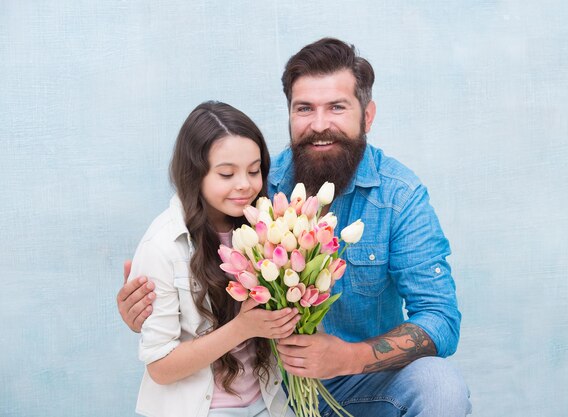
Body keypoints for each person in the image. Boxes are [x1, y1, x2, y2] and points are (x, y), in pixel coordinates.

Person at [119, 39, 472, 416]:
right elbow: (194, 264)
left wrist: (348, 358)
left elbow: (441, 318)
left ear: (367, 116)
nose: (319, 125)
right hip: (272, 392)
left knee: (441, 387)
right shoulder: (256, 187)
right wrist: (146, 307)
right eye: (305, 109)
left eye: (337, 107)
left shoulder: (399, 197)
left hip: (364, 382)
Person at [125, 101, 300, 417]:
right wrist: (242, 328)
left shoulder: (268, 228)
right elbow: (160, 367)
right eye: (227, 173)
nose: (244, 184)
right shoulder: (164, 245)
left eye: (254, 170)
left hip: (267, 403)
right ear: (195, 174)